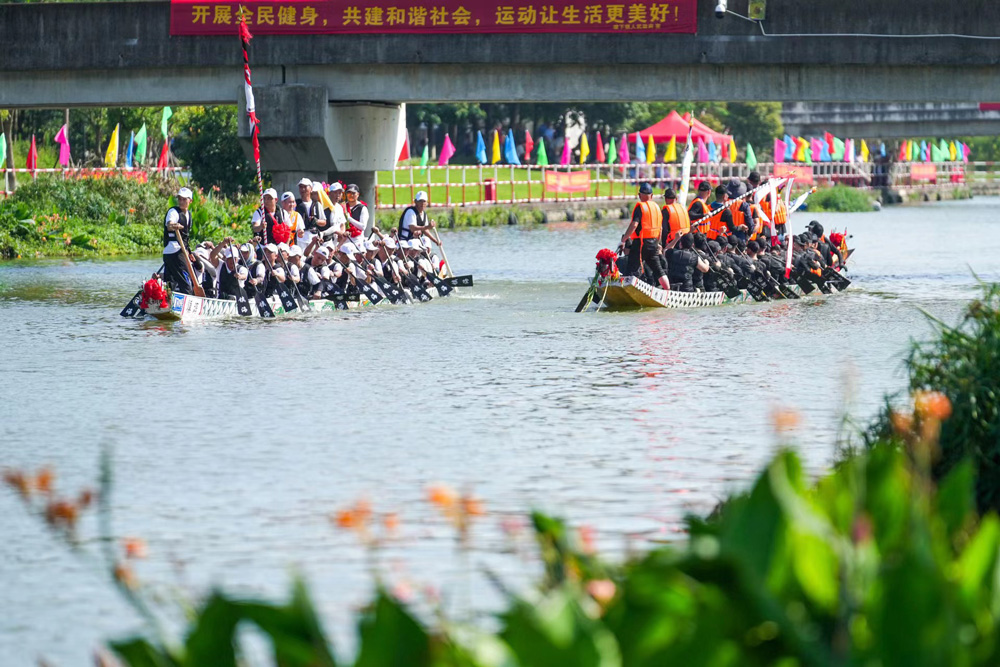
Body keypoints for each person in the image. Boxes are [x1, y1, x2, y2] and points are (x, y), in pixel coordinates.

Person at [620, 183, 669, 291]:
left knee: (631, 269)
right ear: (651, 195)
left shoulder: (640, 207)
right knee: (658, 270)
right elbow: (660, 229)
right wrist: (658, 243)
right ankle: (668, 291)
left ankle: (627, 292)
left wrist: (623, 240)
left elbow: (634, 225)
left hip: (641, 243)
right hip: (654, 243)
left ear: (639, 195)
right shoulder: (657, 208)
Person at [162, 186, 195, 293]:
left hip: (180, 251)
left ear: (190, 201)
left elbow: (185, 237)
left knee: (170, 283)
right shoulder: (173, 212)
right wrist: (174, 225)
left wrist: (189, 251)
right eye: (180, 199)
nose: (181, 201)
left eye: (184, 199)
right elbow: (169, 224)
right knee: (186, 283)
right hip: (174, 251)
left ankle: (169, 303)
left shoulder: (189, 215)